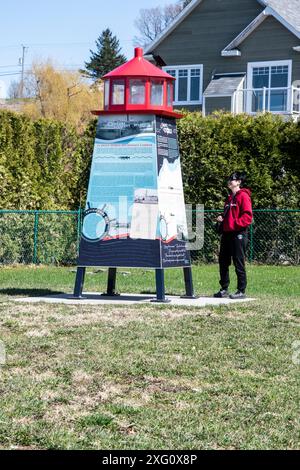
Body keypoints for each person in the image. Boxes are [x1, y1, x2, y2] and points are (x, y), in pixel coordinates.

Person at [214, 172, 253, 300]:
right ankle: (224, 289)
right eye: (229, 179)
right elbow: (229, 216)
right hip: (227, 234)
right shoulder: (230, 198)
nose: (230, 181)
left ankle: (241, 290)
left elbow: (247, 217)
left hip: (238, 234)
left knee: (238, 261)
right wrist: (222, 219)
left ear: (239, 182)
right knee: (223, 262)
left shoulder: (243, 196)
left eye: (233, 179)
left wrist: (233, 224)